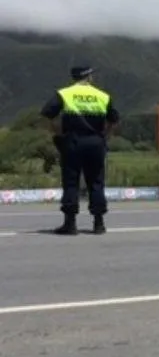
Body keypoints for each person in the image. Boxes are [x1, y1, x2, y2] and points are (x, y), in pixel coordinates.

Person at [40, 66, 120, 235]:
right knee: (96, 182)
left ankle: (70, 224)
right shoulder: (102, 95)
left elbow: (47, 114)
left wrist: (57, 132)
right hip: (96, 142)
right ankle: (99, 224)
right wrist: (105, 137)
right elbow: (114, 119)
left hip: (73, 142)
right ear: (89, 76)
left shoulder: (65, 93)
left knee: (71, 182)